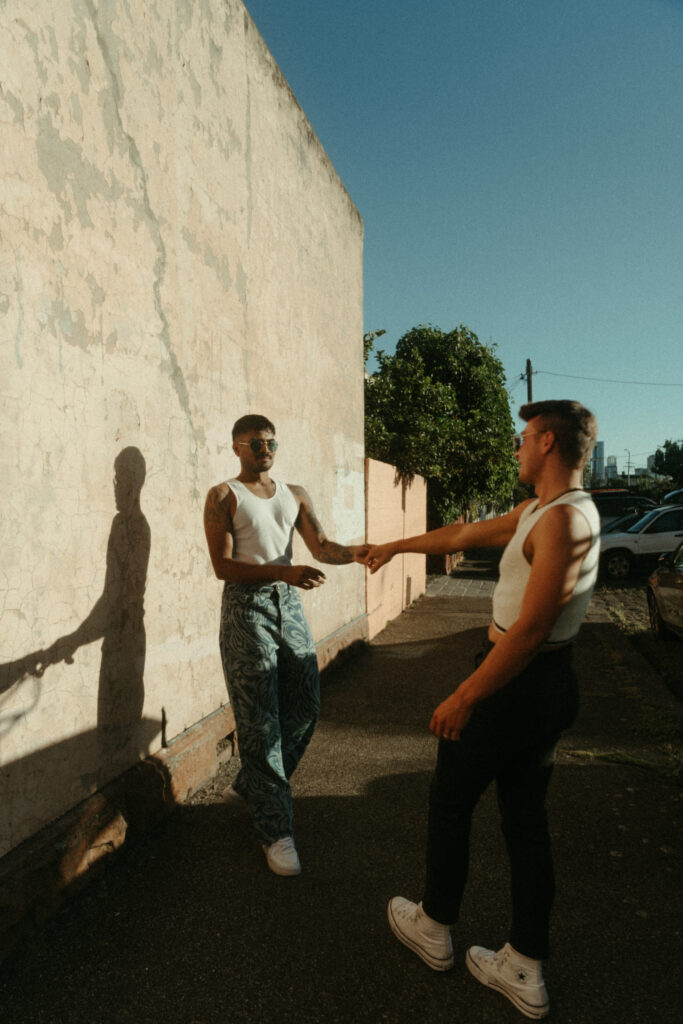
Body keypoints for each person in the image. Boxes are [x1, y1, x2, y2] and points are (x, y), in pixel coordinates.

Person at [364, 400, 600, 1020]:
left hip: (516, 684)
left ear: (547, 442)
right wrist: (393, 545)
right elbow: (463, 534)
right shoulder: (539, 511)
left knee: (452, 801)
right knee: (523, 820)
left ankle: (435, 925)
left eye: (524, 438)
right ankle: (523, 965)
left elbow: (529, 630)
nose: (517, 447)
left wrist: (465, 696)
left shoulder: (565, 522)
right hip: (538, 686)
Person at [204, 414, 366, 877]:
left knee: (307, 706)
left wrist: (359, 552)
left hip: (288, 604)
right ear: (237, 447)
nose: (266, 449)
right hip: (245, 608)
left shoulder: (293, 494)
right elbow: (224, 566)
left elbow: (321, 546)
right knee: (259, 719)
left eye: (271, 441)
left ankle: (251, 783)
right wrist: (281, 572)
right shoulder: (222, 496)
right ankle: (275, 831)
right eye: (256, 442)